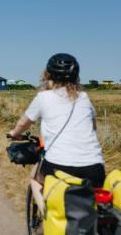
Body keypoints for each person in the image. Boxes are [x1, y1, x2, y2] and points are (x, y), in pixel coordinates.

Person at [9, 53, 105, 187]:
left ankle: (43, 206)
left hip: (58, 165)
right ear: (76, 76)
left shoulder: (43, 97)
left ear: (47, 75)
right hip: (94, 166)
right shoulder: (84, 97)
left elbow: (23, 123)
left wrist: (14, 133)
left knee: (35, 182)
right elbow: (93, 127)